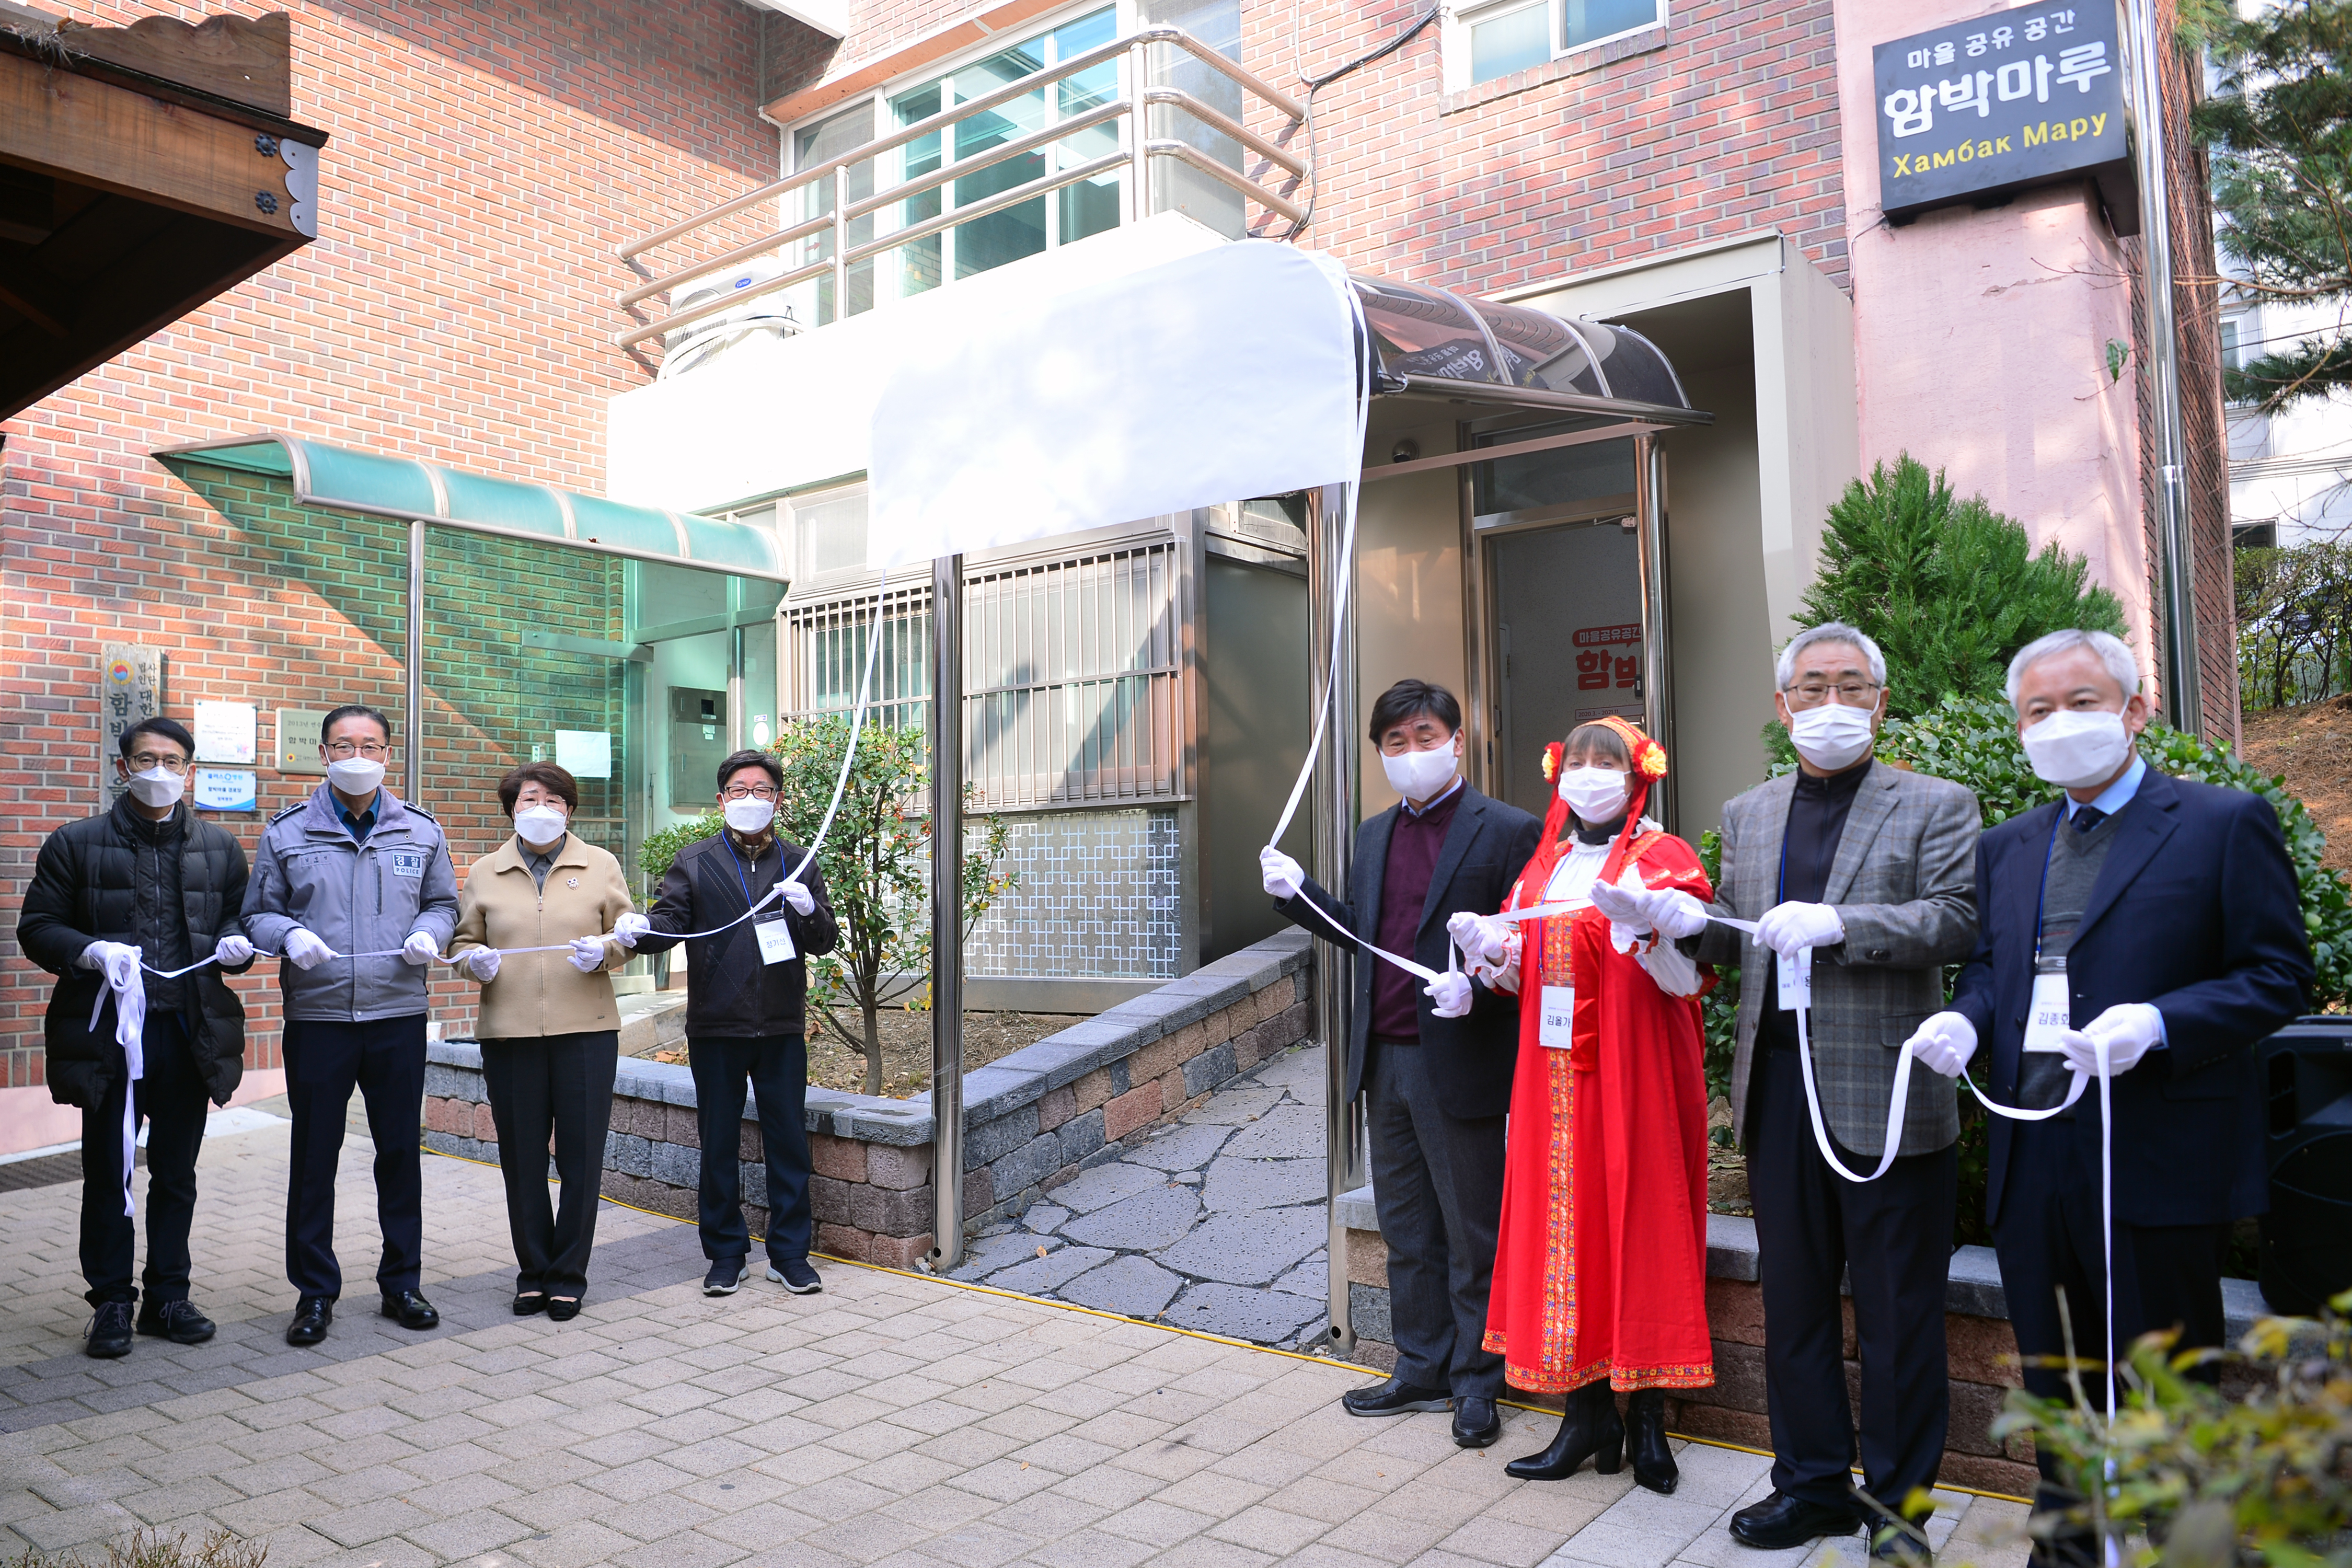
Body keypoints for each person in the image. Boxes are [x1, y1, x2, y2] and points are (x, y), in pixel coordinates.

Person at [1913, 629, 2310, 1567]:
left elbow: (2279, 975)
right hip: (2034, 1152)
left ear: (2135, 709)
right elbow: (1995, 967)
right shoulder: (2009, 845)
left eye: (2082, 702)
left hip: (2154, 1154)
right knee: (2056, 1380)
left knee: (2166, 1386)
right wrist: (1967, 1017)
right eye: (2038, 710)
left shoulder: (2221, 822)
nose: (2060, 723)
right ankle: (2068, 1550)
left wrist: (2162, 1023)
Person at [1622, 622, 1979, 1561]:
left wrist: (1840, 924)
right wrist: (1675, 921)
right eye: (1812, 687)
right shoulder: (1751, 811)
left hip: (1886, 1093)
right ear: (1783, 706)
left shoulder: (1935, 803)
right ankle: (1812, 1485)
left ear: (1880, 702)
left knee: (1899, 1314)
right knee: (1795, 1303)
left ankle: (1899, 1508)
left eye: (1850, 685)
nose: (1831, 702)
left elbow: (1957, 919)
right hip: (1778, 1087)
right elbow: (1740, 933)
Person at [1261, 679, 1542, 1449]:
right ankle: (1421, 1367)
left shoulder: (1508, 829)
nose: (1412, 752)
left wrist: (1477, 989)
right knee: (1407, 1229)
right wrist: (1299, 894)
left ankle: (1479, 1381)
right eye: (1396, 742)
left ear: (1458, 741)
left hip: (1459, 1056)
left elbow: (1526, 949)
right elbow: (1364, 933)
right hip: (1382, 1058)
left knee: (1472, 1231)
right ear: (1381, 752)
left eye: (1426, 737)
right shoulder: (1374, 833)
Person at [1449, 717, 1715, 1494]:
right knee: (1565, 1234)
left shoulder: (1664, 859)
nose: (1589, 773)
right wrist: (1485, 954)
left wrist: (1652, 929)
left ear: (1639, 775)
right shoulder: (1547, 866)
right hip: (1553, 1083)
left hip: (1639, 1073)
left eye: (1608, 760)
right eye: (1578, 760)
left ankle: (1648, 1419)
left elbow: (1691, 979)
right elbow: (1520, 976)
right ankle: (1587, 1415)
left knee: (1643, 1225)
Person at [16, 716, 256, 1358]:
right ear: (123, 768)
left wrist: (238, 944)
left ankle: (168, 1297)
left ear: (190, 772)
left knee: (176, 1172)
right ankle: (112, 1302)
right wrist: (91, 950)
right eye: (146, 760)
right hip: (109, 1036)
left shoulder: (219, 848)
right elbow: (37, 927)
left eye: (173, 762)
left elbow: (239, 921)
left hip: (187, 1032)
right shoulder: (76, 843)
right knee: (109, 1170)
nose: (160, 772)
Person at [243, 704, 458, 1346]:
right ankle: (314, 1292)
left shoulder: (420, 831)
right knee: (314, 1157)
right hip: (320, 1017)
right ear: (324, 754)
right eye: (343, 746)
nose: (357, 756)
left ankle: (402, 1283)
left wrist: (430, 932)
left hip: (398, 1014)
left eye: (370, 746)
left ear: (388, 755)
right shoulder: (287, 833)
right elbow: (257, 914)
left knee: (400, 1153)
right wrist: (289, 935)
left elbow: (444, 903)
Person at [621, 748, 838, 1298]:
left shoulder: (799, 861)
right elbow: (670, 922)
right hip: (717, 1026)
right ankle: (725, 1253)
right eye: (739, 790)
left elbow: (825, 940)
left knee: (788, 1142)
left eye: (762, 790)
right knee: (718, 1143)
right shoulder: (694, 862)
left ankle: (790, 1255)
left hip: (782, 1026)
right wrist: (638, 931)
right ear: (721, 801)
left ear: (778, 801)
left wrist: (809, 908)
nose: (750, 799)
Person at [448, 762, 635, 1321]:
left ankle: (568, 1276)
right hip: (509, 1034)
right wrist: (474, 963)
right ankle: (533, 1272)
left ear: (570, 811)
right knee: (522, 1159)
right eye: (530, 799)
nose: (542, 809)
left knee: (582, 1158)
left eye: (554, 801)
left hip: (587, 1032)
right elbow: (462, 943)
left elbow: (629, 934)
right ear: (512, 808)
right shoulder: (486, 871)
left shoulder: (600, 864)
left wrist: (606, 951)